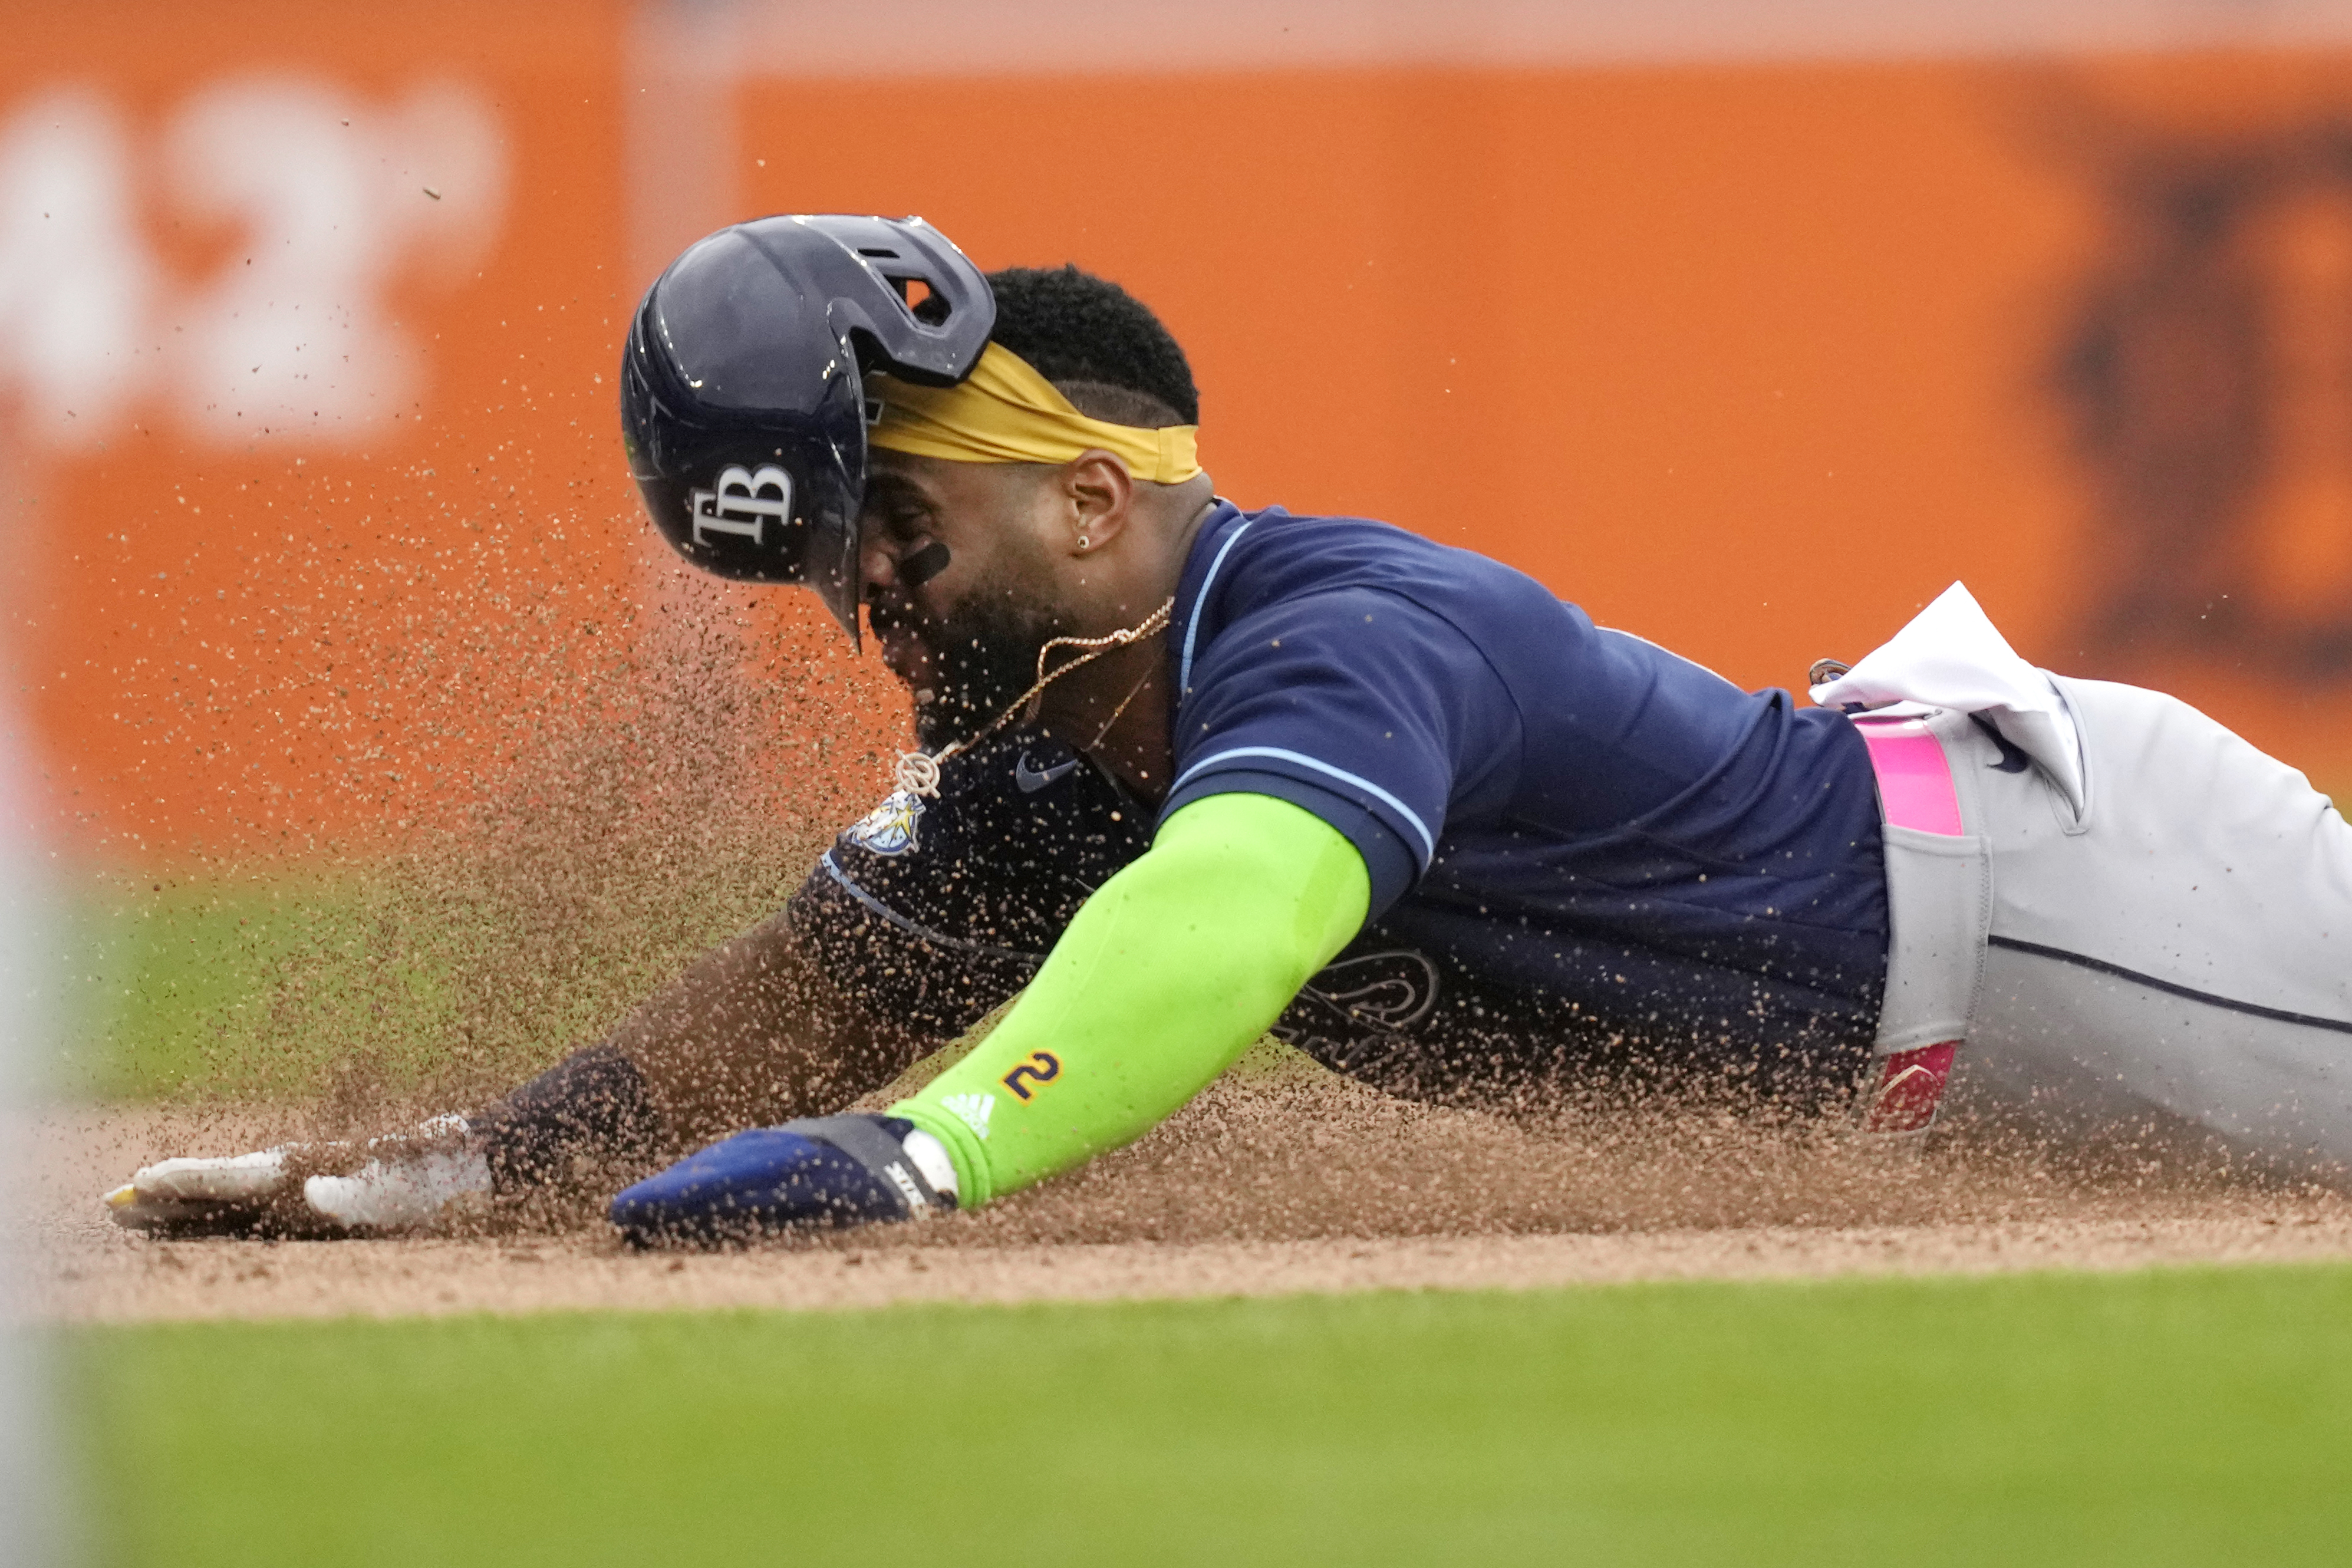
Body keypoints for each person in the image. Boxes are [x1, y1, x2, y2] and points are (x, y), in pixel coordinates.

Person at [106, 215, 2352, 1243]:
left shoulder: (1342, 626)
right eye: (827, 562)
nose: (860, 599)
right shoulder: (1054, 773)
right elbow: (805, 992)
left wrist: (927, 1153)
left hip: (2068, 895)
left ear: (1095, 501)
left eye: (896, 524)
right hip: (1956, 1035)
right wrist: (467, 1170)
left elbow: (1240, 904)